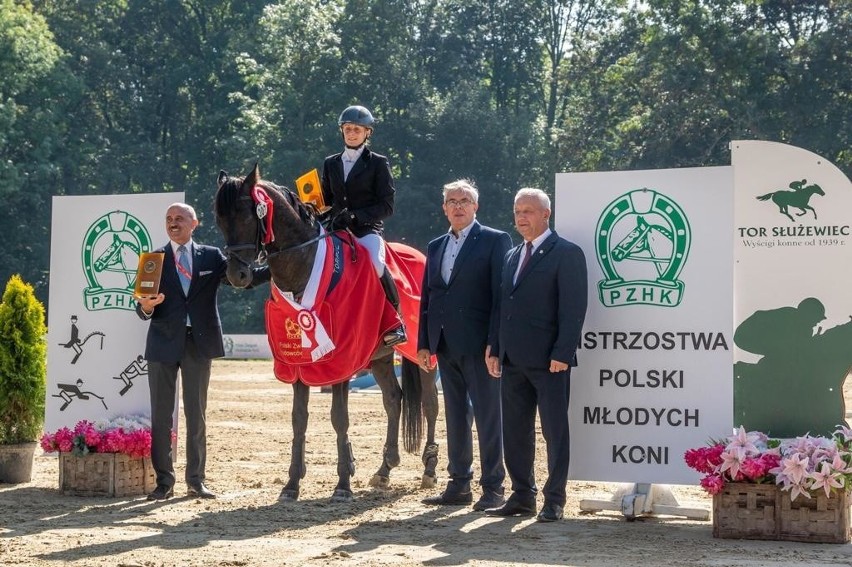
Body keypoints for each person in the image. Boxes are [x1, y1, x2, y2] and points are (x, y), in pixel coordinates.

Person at [135, 202, 267, 501]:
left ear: (195, 224)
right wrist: (145, 307)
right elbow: (141, 306)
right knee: (161, 416)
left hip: (198, 344)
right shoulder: (153, 259)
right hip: (162, 343)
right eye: (169, 218)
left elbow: (242, 279)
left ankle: (196, 481)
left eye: (179, 218)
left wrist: (277, 268)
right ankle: (164, 483)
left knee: (197, 415)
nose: (173, 223)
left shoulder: (211, 256)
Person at [485, 188, 588, 522]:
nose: (521, 217)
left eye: (528, 211)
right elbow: (502, 305)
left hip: (550, 362)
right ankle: (522, 495)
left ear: (546, 214)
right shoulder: (512, 255)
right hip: (512, 359)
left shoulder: (567, 253)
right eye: (517, 211)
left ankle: (554, 499)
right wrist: (494, 347)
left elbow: (574, 308)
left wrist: (563, 351)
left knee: (554, 432)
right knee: (515, 431)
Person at [417, 179, 512, 512]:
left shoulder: (495, 241)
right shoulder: (435, 245)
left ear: (476, 207)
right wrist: (425, 343)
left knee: (488, 417)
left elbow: (502, 297)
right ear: (444, 208)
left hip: (481, 347)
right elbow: (429, 296)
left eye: (465, 200)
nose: (458, 206)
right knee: (456, 417)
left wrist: (495, 343)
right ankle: (459, 484)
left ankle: (494, 487)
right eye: (451, 201)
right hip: (445, 344)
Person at [320, 104, 406, 347]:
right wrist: (313, 206)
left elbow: (387, 206)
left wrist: (356, 217)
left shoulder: (378, 163)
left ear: (367, 132)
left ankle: (396, 322)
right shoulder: (331, 163)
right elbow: (327, 200)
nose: (351, 133)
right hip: (336, 230)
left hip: (366, 230)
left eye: (357, 129)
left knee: (377, 264)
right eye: (347, 129)